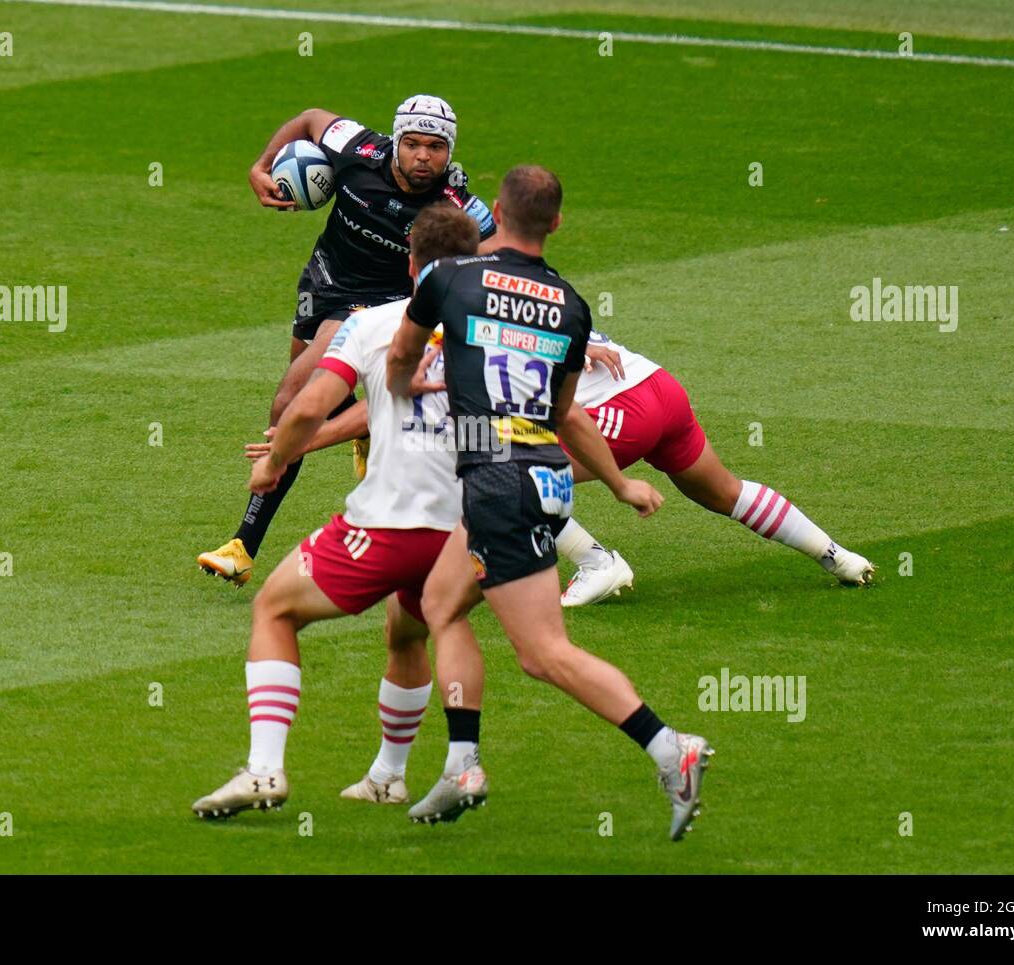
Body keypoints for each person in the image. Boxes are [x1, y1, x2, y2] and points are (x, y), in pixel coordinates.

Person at [386, 165, 713, 841]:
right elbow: (567, 414)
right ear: (557, 224)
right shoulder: (569, 305)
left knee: (544, 653)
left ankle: (668, 747)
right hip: (540, 473)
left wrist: (404, 385)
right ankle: (462, 764)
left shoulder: (449, 276)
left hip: (498, 480)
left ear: (494, 210)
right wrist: (621, 483)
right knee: (439, 604)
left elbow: (402, 354)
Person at [191, 204, 482, 817]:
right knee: (409, 632)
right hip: (472, 530)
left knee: (273, 607)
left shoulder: (376, 324)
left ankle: (264, 770)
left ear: (410, 262)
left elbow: (306, 406)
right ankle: (391, 776)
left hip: (392, 522)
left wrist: (273, 465)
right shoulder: (498, 326)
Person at [196, 95, 497, 588]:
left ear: (451, 151)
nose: (424, 156)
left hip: (383, 305)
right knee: (322, 389)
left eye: (437, 147)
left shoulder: (460, 207)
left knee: (291, 398)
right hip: (325, 280)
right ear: (396, 142)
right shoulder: (358, 150)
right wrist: (261, 165)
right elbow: (310, 118)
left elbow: (500, 255)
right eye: (414, 144)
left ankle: (242, 545)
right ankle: (364, 427)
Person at [557, 330, 876, 606]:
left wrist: (619, 484)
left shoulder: (508, 311)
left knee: (513, 477)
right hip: (657, 386)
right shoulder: (532, 285)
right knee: (721, 491)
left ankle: (597, 564)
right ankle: (837, 556)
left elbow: (558, 404)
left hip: (618, 411)